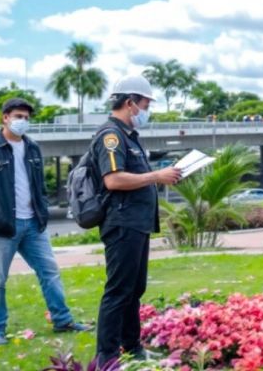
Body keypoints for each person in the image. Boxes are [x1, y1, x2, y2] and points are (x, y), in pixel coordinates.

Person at [0, 98, 92, 347]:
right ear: (5, 117)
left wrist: (42, 212)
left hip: (33, 225)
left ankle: (62, 320)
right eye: (17, 116)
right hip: (0, 228)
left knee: (50, 273)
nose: (22, 121)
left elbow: (38, 186)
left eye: (26, 117)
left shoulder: (32, 148)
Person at [93, 76, 182, 365]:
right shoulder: (111, 135)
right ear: (130, 103)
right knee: (119, 290)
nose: (147, 110)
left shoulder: (129, 136)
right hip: (122, 223)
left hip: (137, 223)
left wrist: (164, 176)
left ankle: (132, 346)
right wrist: (157, 176)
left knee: (134, 289)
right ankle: (106, 356)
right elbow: (114, 180)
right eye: (145, 104)